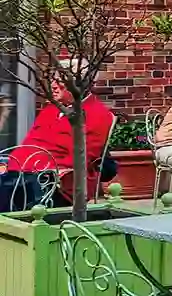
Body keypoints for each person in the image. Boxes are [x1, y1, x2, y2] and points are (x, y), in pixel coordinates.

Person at [3, 73, 117, 208]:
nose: (53, 86)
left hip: (54, 182)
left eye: (60, 81)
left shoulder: (98, 115)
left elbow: (82, 158)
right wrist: (10, 164)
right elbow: (29, 144)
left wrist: (36, 169)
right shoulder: (51, 109)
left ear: (79, 85)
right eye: (52, 80)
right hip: (20, 172)